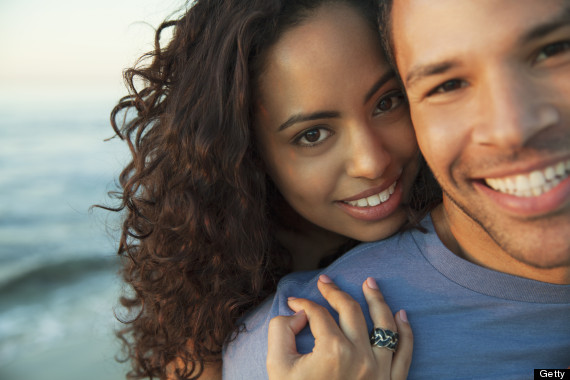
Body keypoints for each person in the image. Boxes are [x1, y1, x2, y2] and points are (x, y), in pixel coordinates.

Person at [222, 0, 570, 378]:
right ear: (252, 164)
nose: (371, 163)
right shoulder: (308, 349)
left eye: (555, 51)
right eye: (447, 85)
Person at [107, 0, 439, 378]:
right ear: (245, 153)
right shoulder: (208, 292)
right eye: (313, 135)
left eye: (387, 102)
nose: (372, 162)